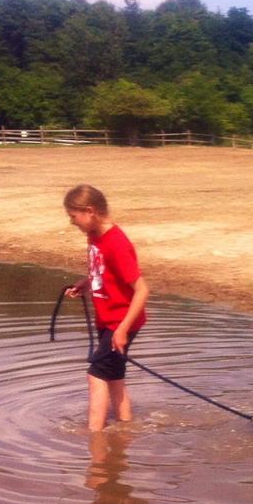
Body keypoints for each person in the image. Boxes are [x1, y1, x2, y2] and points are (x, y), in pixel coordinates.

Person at [63, 184, 149, 431]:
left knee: (96, 375)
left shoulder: (116, 243)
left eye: (73, 216)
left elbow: (142, 290)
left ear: (90, 211)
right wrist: (86, 283)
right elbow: (104, 271)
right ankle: (125, 429)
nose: (72, 223)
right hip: (108, 319)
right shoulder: (95, 236)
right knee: (114, 378)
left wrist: (122, 330)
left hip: (121, 321)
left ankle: (95, 437)